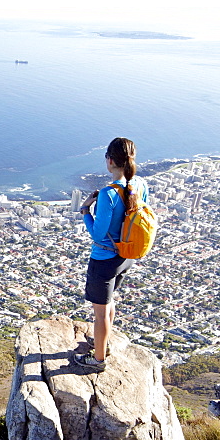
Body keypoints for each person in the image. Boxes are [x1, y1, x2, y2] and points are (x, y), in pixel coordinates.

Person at [73, 137, 149, 372]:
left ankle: (98, 359)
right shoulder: (141, 185)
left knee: (100, 312)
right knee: (109, 302)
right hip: (126, 256)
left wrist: (85, 210)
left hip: (104, 259)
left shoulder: (108, 194)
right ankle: (102, 343)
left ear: (110, 160)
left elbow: (97, 234)